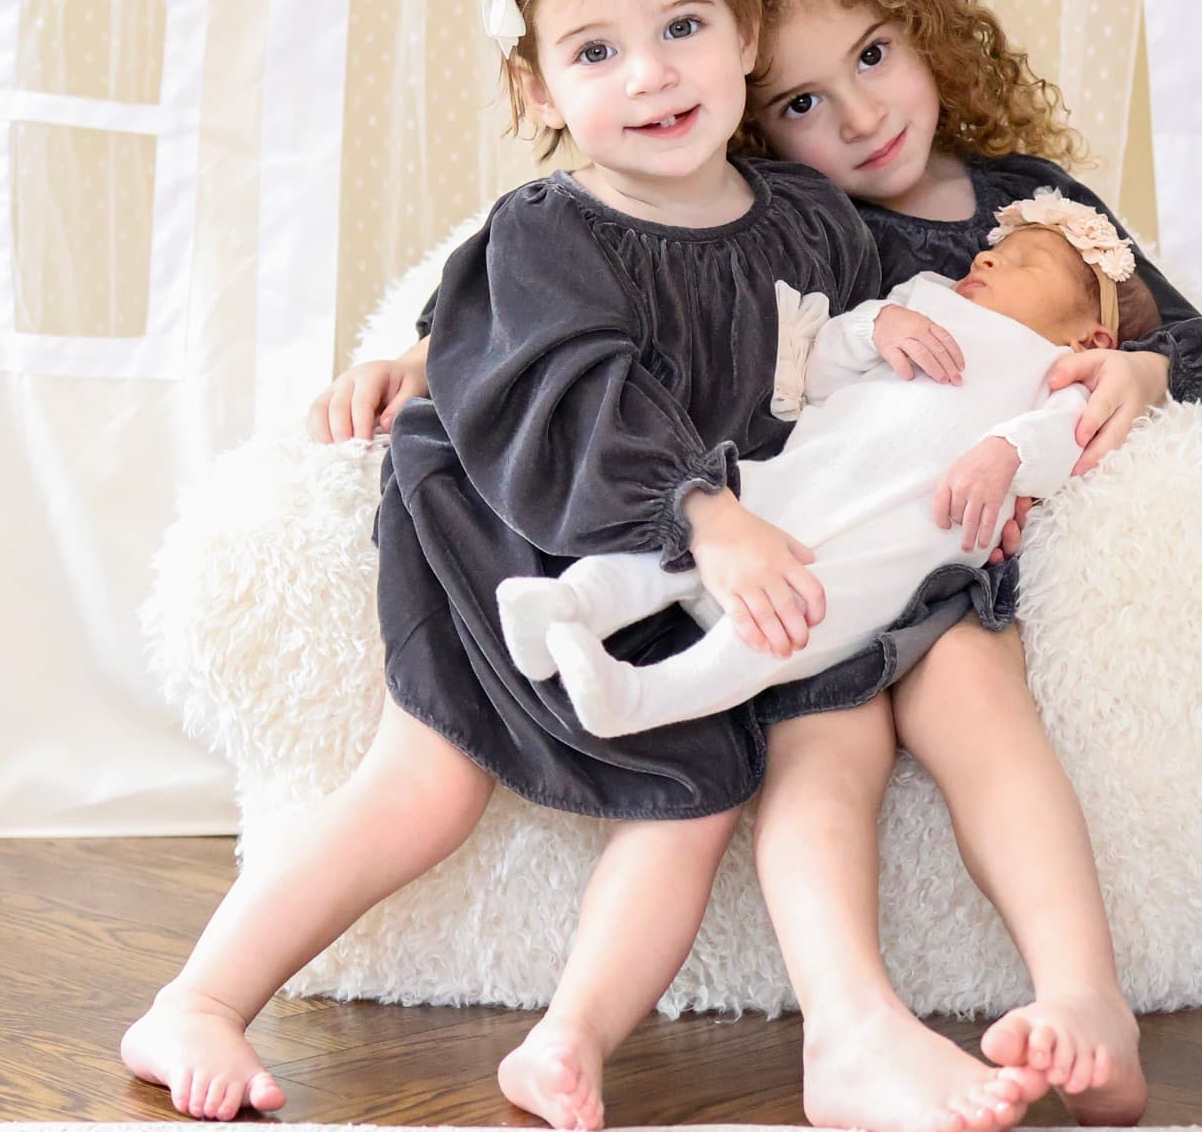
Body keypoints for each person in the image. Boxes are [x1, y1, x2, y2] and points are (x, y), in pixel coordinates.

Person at [123, 0, 1047, 1132]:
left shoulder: (806, 221)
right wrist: (701, 513)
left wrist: (891, 333)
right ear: (537, 85)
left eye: (682, 28)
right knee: (427, 784)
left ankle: (567, 1038)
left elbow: (854, 341)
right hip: (513, 524)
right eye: (596, 50)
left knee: (702, 787)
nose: (652, 74)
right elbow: (560, 381)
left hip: (684, 560)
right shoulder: (552, 228)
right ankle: (199, 997)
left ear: (741, 35)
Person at [698, 0, 1202, 1132]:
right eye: (802, 99)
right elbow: (604, 293)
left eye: (872, 53)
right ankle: (848, 1029)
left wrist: (1142, 364)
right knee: (823, 747)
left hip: (960, 566)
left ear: (921, 24)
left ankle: (1086, 1000)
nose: (858, 116)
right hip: (830, 560)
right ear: (749, 126)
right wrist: (432, 351)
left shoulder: (1042, 214)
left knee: (981, 712)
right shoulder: (788, 227)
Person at [496, 189, 1164, 739]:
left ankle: (638, 698)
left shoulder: (1063, 373)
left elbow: (1065, 442)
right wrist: (875, 328)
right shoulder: (924, 296)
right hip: (808, 474)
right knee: (690, 542)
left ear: (1092, 337)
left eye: (1025, 265)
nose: (990, 263)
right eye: (996, 251)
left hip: (895, 542)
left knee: (791, 625)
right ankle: (566, 605)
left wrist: (1005, 454)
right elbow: (816, 372)